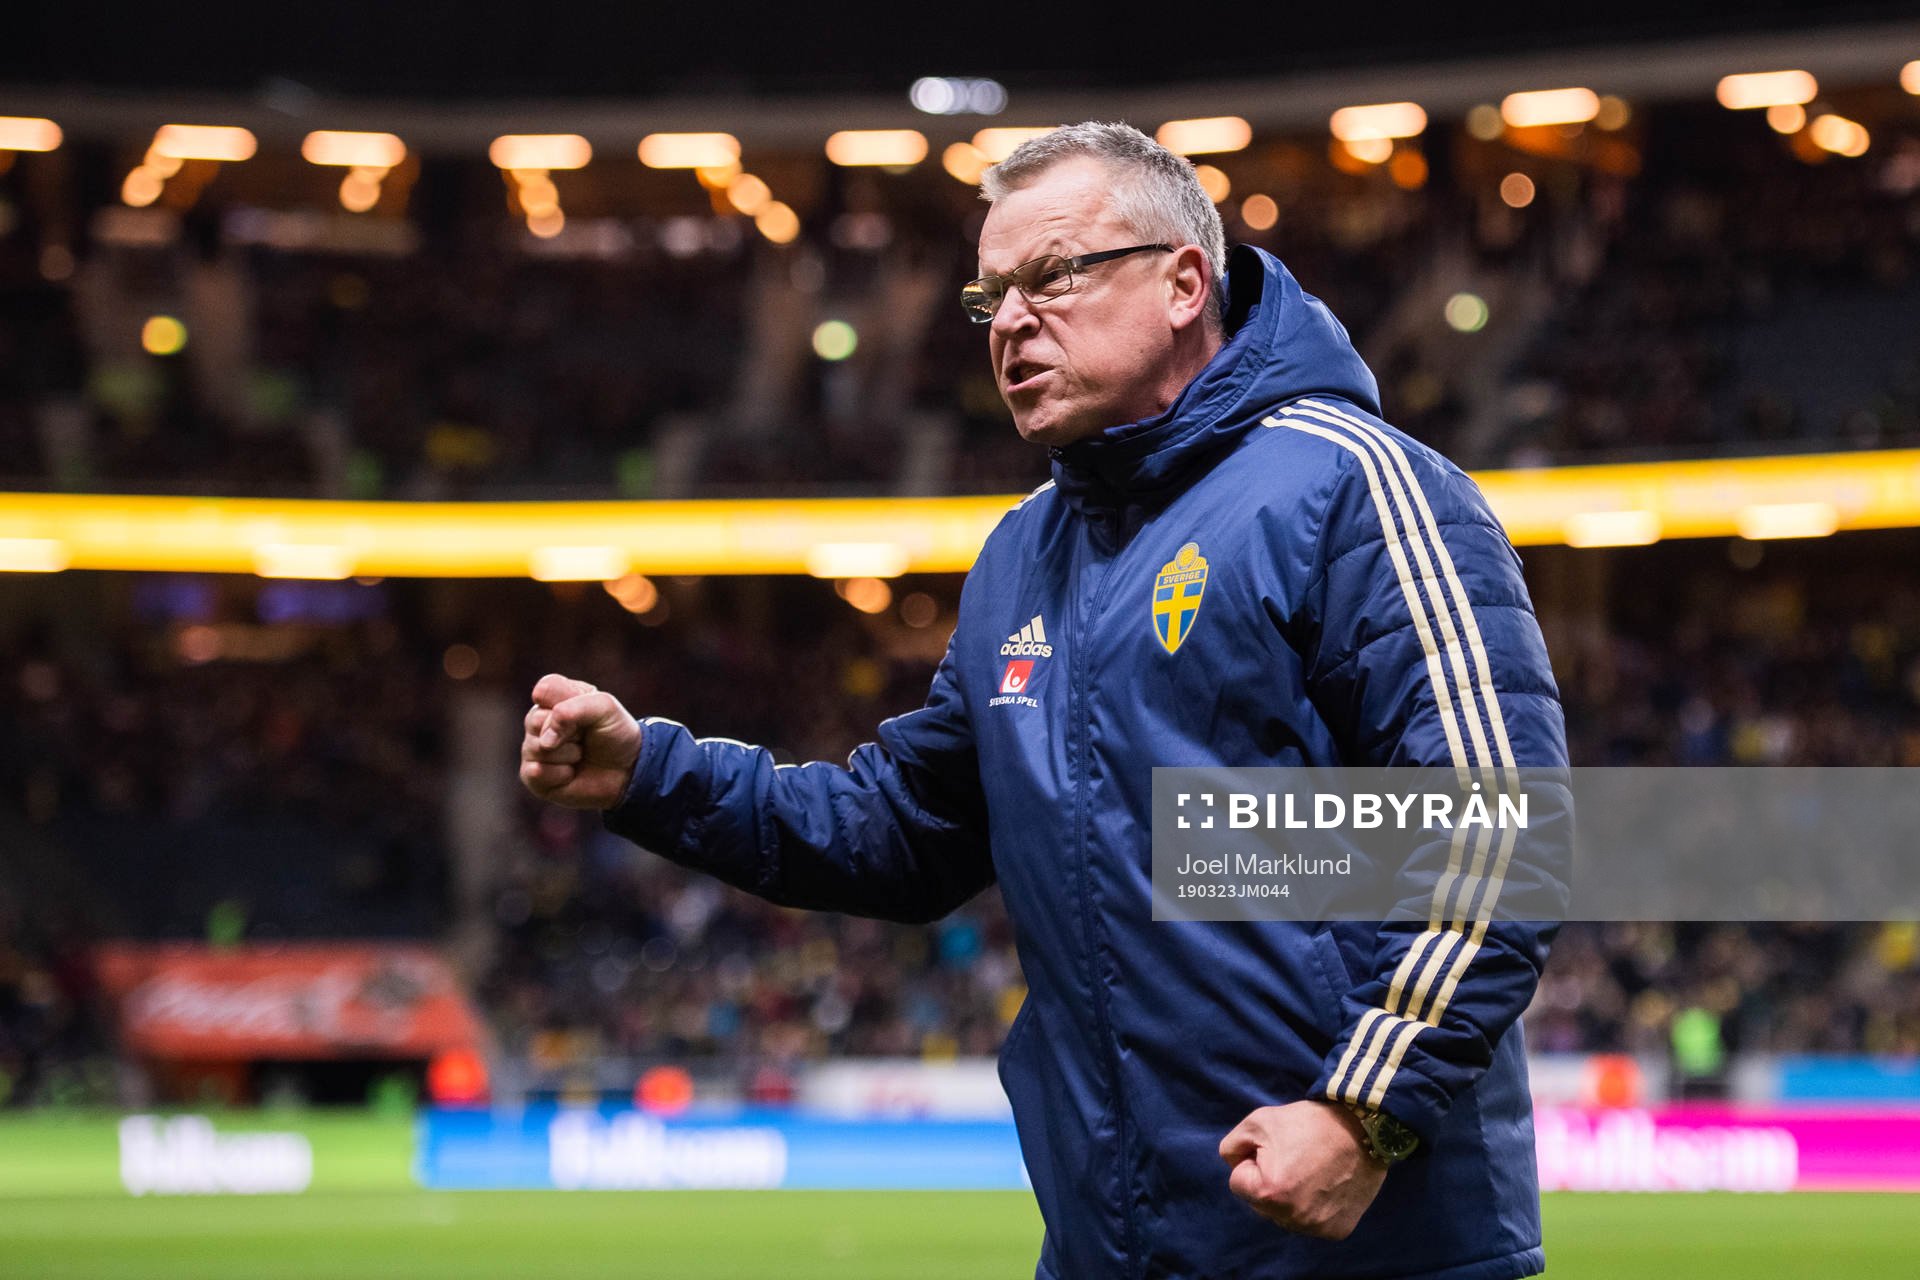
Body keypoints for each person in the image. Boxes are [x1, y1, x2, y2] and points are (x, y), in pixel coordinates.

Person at [521, 121, 1565, 1279]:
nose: (1011, 321)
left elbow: (1498, 825)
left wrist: (1364, 1110)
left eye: (1054, 275)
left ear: (1184, 282)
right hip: (1110, 1247)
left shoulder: (1352, 484)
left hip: (1365, 1247)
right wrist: (654, 774)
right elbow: (901, 830)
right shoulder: (1022, 556)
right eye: (991, 297)